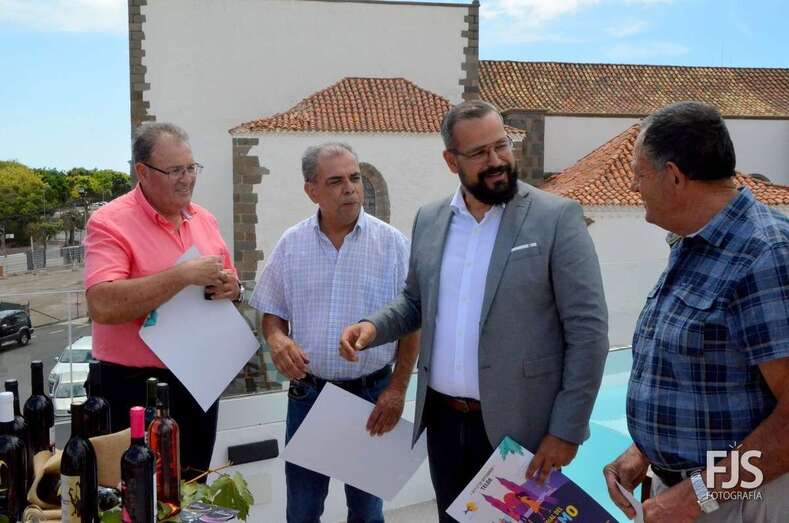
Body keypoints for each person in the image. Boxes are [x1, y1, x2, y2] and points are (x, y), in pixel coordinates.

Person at [339, 100, 609, 522]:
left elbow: (588, 332)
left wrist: (567, 430)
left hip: (522, 432)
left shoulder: (556, 218)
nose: (496, 160)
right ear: (452, 161)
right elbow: (415, 302)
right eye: (480, 153)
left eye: (501, 146)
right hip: (444, 424)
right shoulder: (430, 219)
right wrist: (373, 327)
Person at [603, 101, 789, 522]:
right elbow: (700, 380)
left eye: (639, 173)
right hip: (687, 496)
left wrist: (694, 497)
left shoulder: (765, 255)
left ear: (673, 176)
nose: (632, 186)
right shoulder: (693, 242)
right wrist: (643, 453)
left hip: (739, 503)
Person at [249, 143, 418, 523]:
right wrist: (277, 339)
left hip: (373, 396)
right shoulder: (292, 244)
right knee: (303, 511)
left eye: (355, 178)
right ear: (312, 190)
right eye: (336, 181)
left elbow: (413, 323)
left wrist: (397, 390)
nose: (350, 188)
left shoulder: (393, 245)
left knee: (367, 513)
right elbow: (272, 313)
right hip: (310, 396)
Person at [84, 122, 240, 481]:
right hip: (134, 387)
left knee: (195, 486)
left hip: (200, 375)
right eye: (175, 171)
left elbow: (229, 281)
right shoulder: (108, 222)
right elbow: (102, 305)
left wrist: (233, 289)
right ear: (143, 171)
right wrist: (181, 275)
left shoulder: (205, 219)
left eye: (191, 168)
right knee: (135, 494)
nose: (187, 179)